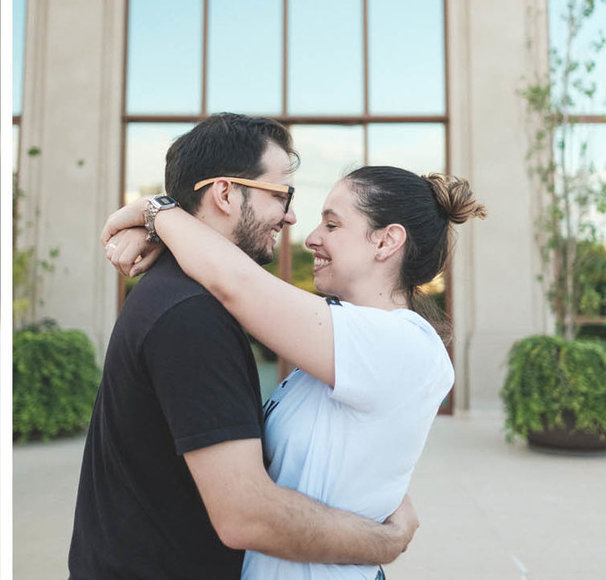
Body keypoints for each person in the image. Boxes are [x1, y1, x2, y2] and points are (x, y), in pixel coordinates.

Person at [101, 134, 481, 579]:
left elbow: (237, 284)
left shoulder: (403, 345)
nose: (310, 238)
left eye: (332, 225)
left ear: (385, 242)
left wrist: (155, 213)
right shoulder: (336, 346)